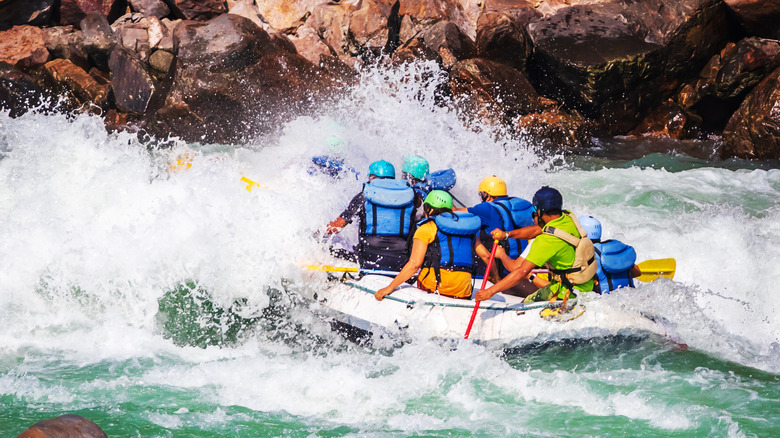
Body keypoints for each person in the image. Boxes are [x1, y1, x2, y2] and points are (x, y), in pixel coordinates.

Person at [475, 186, 596, 304]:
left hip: (567, 291)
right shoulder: (568, 217)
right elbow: (536, 230)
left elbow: (520, 273)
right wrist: (506, 235)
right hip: (586, 286)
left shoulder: (546, 241)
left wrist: (490, 292)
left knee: (525, 303)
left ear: (539, 210)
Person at [375, 190, 491, 301]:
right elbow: (486, 256)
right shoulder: (467, 230)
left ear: (429, 209)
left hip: (435, 287)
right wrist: (495, 278)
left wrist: (390, 287)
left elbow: (414, 265)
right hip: (463, 291)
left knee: (419, 276)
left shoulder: (427, 228)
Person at [326, 160, 415, 271]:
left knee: (331, 251)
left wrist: (318, 234)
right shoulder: (411, 196)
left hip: (370, 258)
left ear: (372, 177)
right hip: (401, 261)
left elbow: (338, 226)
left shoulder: (364, 195)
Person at [579, 215, 641, 293]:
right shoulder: (614, 247)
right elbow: (637, 272)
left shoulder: (588, 253)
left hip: (604, 300)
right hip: (631, 294)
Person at [401, 155, 430, 222]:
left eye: (404, 175)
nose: (402, 178)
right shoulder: (428, 190)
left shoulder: (414, 194)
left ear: (412, 180)